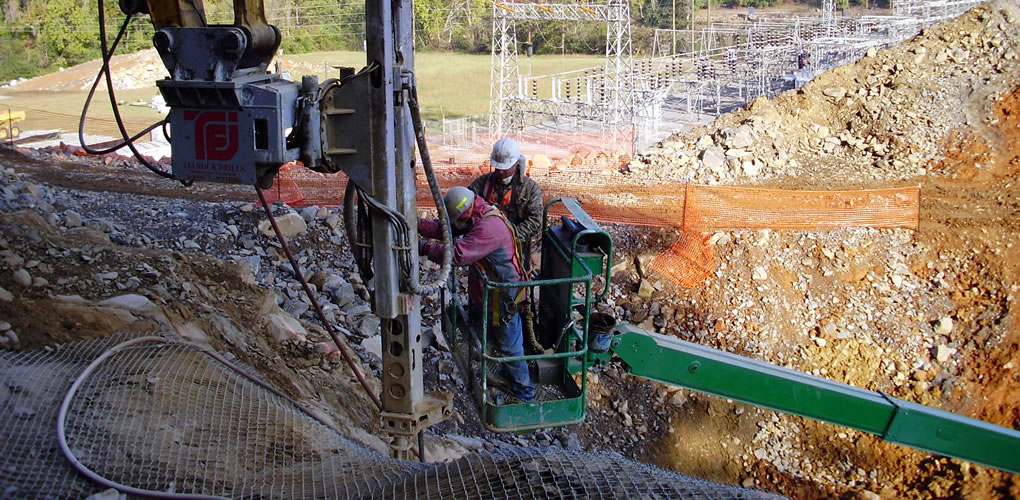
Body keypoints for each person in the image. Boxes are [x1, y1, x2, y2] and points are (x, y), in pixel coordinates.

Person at [419, 186, 535, 402]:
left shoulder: (488, 228)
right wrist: (418, 225)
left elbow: (457, 255)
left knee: (510, 347)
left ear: (464, 214)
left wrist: (424, 248)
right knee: (489, 335)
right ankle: (495, 368)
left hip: (504, 299)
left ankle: (524, 391)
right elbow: (448, 229)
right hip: (488, 294)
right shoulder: (476, 213)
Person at [468, 137, 544, 267]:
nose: (500, 171)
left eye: (505, 168)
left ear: (515, 164)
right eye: (497, 167)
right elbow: (467, 206)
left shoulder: (530, 189)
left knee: (513, 284)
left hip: (515, 250)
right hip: (484, 248)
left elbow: (535, 221)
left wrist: (509, 237)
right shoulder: (482, 184)